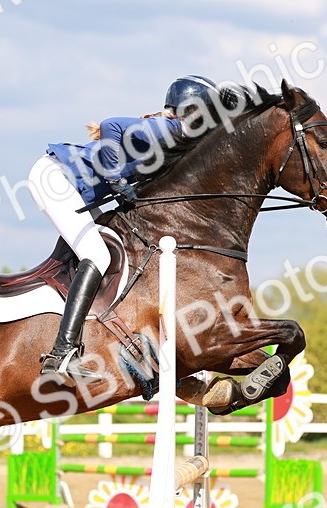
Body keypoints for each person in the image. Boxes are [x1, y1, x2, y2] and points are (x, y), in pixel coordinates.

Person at [30, 75, 223, 385]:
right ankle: (62, 352)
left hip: (75, 188)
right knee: (97, 254)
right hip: (56, 178)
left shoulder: (176, 139)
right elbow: (111, 126)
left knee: (116, 248)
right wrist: (116, 180)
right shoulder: (169, 129)